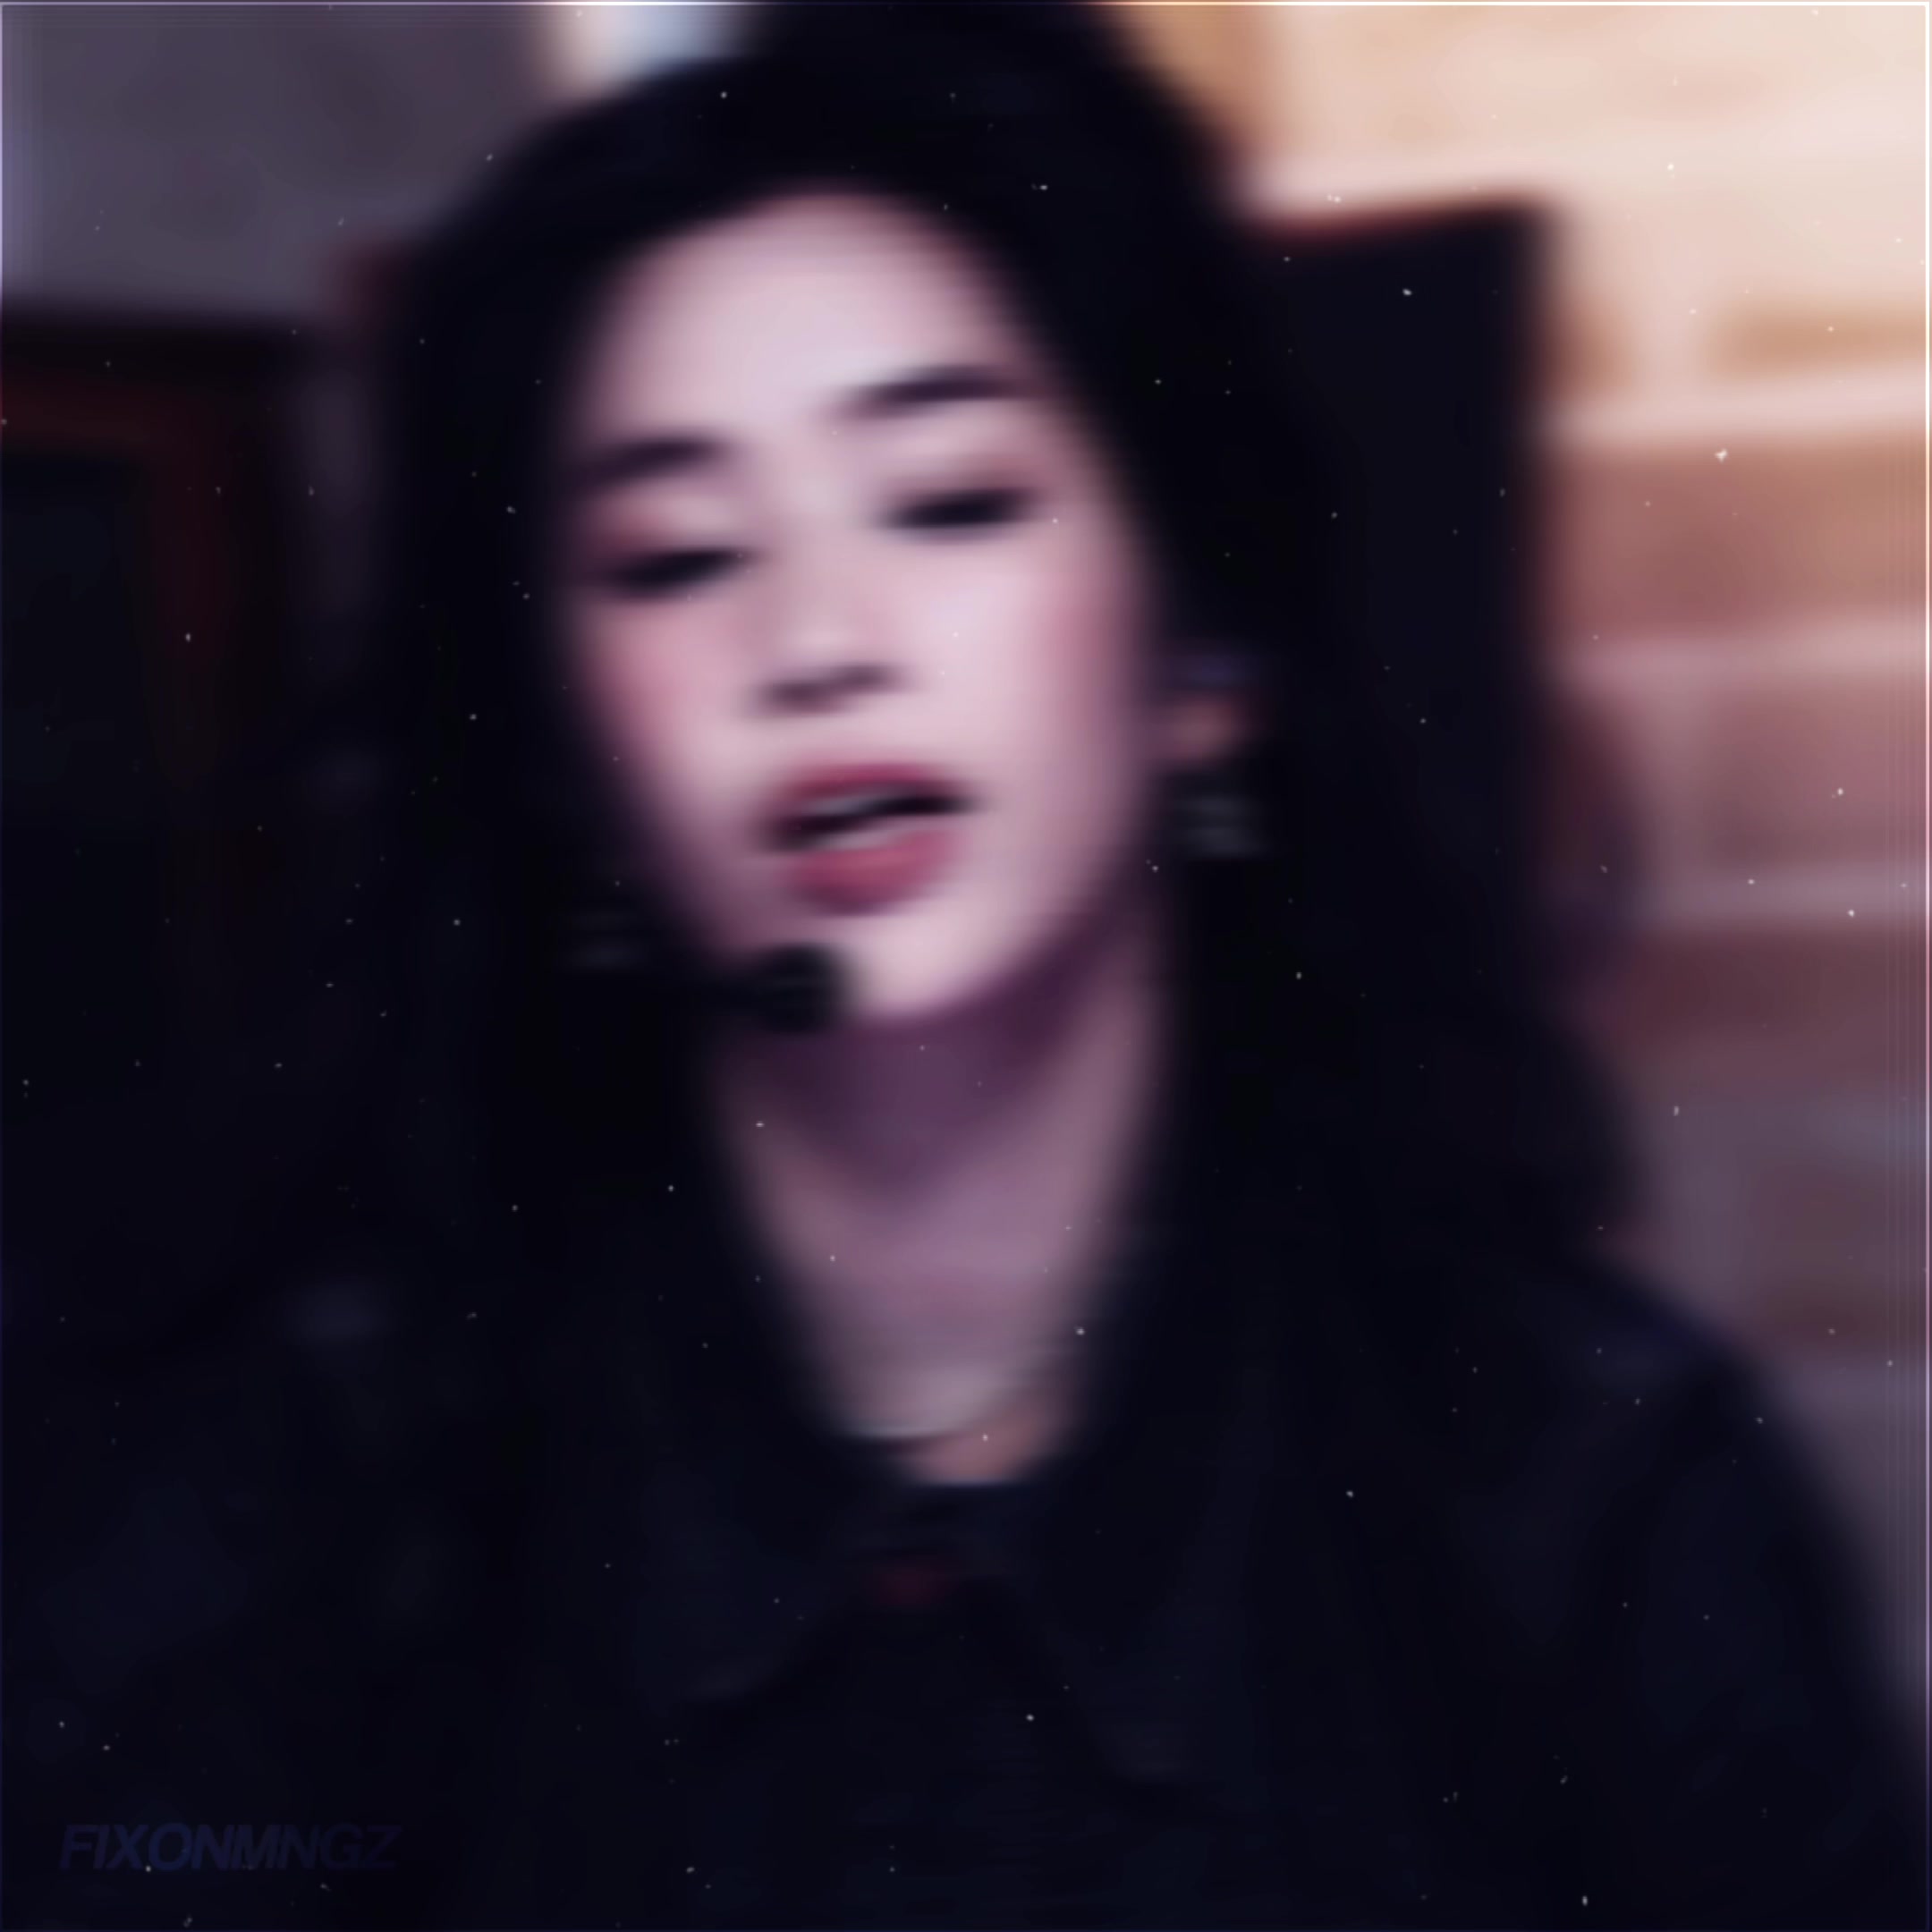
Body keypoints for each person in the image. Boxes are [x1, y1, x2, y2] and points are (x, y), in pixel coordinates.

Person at [6, 4, 1920, 1928]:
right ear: (574, 765)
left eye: (949, 501)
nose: (819, 640)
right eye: (677, 556)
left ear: (1201, 661)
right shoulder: (305, 1505)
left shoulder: (1591, 1497)